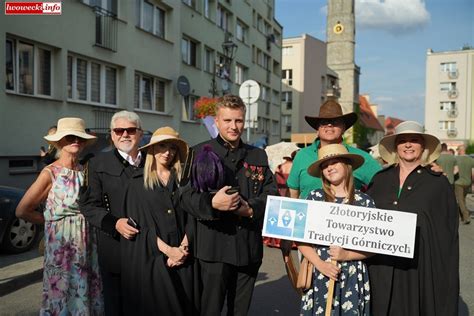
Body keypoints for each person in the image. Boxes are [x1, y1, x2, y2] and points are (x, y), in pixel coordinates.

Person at [119, 127, 238, 315]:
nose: (168, 152)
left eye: (172, 147)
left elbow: (194, 215)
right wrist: (169, 251)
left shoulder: (186, 180)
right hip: (155, 259)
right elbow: (138, 226)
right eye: (162, 146)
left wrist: (183, 248)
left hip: (186, 257)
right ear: (152, 150)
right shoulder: (136, 183)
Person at [191, 94, 278, 315]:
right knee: (210, 310)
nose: (234, 126)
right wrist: (212, 203)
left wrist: (251, 209)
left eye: (238, 120)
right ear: (216, 121)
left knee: (239, 312)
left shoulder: (257, 155)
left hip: (247, 248)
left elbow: (271, 194)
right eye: (227, 120)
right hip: (213, 249)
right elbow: (184, 196)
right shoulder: (199, 152)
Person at [366, 121, 459, 315]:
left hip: (419, 267)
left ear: (423, 146)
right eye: (403, 141)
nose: (408, 145)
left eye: (414, 140)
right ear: (396, 147)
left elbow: (447, 234)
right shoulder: (380, 179)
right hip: (381, 266)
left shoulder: (438, 183)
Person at [16, 117, 103, 315]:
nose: (76, 141)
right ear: (59, 141)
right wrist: (49, 220)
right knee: (61, 294)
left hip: (88, 242)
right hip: (61, 245)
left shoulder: (85, 171)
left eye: (80, 137)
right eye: (70, 137)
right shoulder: (50, 172)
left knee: (85, 290)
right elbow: (22, 210)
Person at [79, 110, 144, 316]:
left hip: (150, 248)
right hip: (116, 249)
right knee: (116, 307)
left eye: (131, 130)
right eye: (119, 130)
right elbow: (89, 206)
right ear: (112, 134)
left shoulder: (153, 162)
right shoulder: (97, 163)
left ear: (140, 133)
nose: (125, 134)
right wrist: (114, 223)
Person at [299, 144, 373, 315]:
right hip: (321, 272)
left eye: (335, 162)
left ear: (347, 165)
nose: (329, 168)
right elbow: (301, 239)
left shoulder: (365, 202)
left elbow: (375, 247)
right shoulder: (315, 198)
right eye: (325, 165)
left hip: (353, 275)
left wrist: (347, 255)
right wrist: (320, 265)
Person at [287, 99, 381, 200]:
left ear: (344, 128)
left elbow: (384, 186)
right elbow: (293, 195)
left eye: (335, 121)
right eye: (324, 122)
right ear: (317, 129)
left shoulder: (361, 158)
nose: (329, 125)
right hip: (311, 215)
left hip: (347, 214)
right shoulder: (302, 155)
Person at [454, 145, 474, 224]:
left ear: (460, 150)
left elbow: (455, 171)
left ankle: (466, 217)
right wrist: (472, 183)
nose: (457, 151)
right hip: (468, 182)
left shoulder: (456, 159)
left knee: (460, 200)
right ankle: (462, 217)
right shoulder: (471, 159)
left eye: (458, 150)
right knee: (463, 199)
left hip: (459, 182)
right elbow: (473, 173)